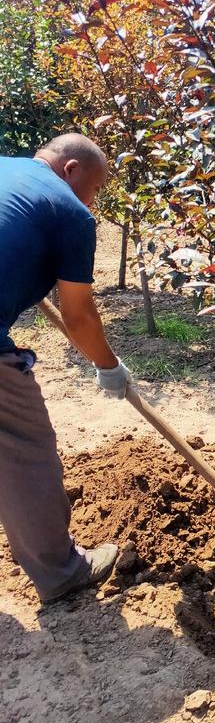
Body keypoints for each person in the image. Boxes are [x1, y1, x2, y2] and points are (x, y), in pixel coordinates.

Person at [0, 134, 131, 605]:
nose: (89, 201)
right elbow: (78, 314)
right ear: (71, 168)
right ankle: (61, 573)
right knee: (25, 450)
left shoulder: (5, 169)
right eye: (93, 189)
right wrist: (108, 366)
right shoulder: (71, 212)